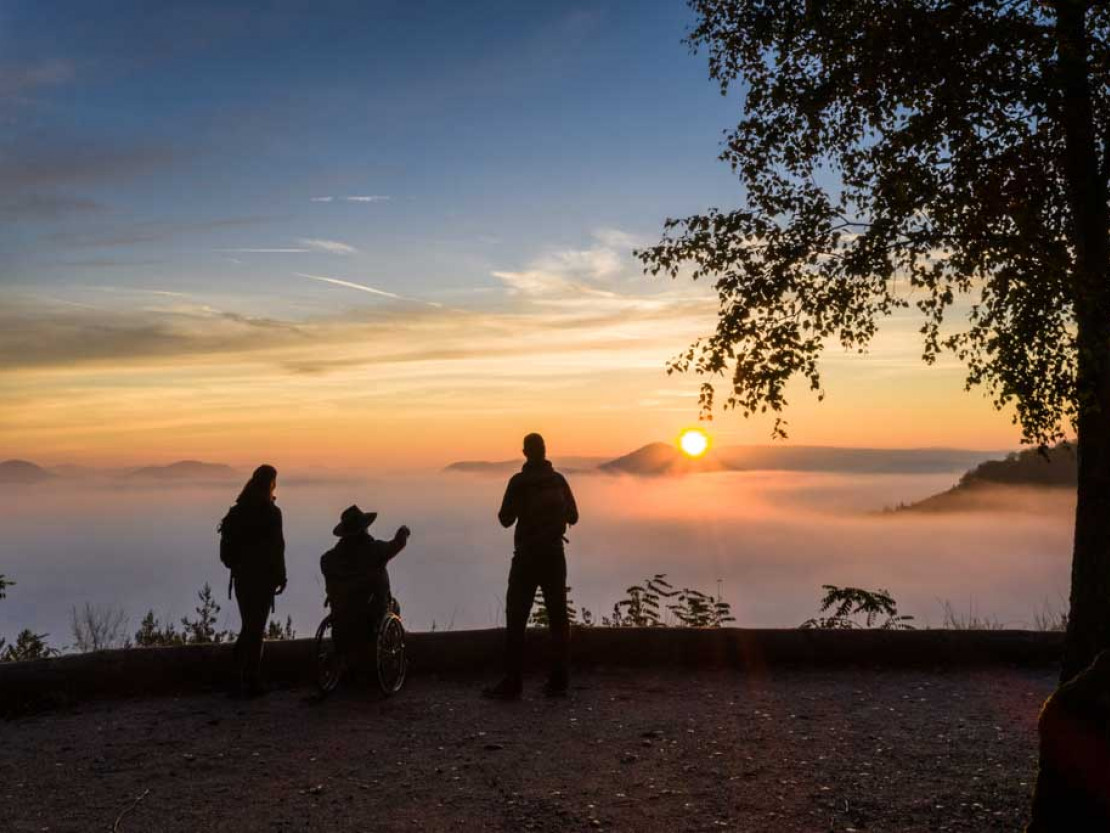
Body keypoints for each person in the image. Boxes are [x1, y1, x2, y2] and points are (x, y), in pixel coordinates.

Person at [484, 433, 579, 700]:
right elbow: (574, 516)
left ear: (525, 452)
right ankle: (559, 680)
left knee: (517, 618)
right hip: (555, 556)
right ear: (545, 451)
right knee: (558, 618)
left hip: (526, 558)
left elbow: (505, 519)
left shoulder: (519, 482)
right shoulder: (558, 480)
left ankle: (513, 682)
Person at [219, 464, 286, 697]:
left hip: (242, 580)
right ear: (270, 483)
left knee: (251, 626)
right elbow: (278, 548)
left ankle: (240, 677)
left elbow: (226, 555)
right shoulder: (271, 513)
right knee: (255, 629)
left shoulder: (237, 512)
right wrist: (281, 576)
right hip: (263, 580)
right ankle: (250, 679)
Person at [320, 505, 410, 670]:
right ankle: (391, 661)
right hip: (371, 615)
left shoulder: (329, 559)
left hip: (342, 617)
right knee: (394, 607)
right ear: (364, 529)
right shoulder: (375, 550)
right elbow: (396, 544)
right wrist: (403, 532)